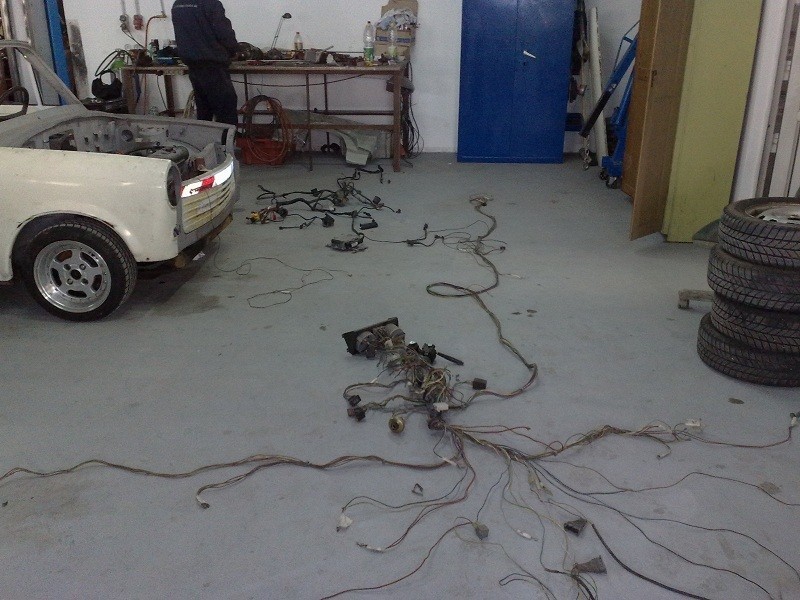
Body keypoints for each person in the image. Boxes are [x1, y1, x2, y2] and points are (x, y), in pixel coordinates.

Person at [171, 0, 239, 126]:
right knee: (226, 111)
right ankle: (226, 139)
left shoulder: (177, 4)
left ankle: (204, 138)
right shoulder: (211, 4)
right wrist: (233, 50)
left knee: (204, 110)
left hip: (193, 65)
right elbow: (224, 33)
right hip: (213, 65)